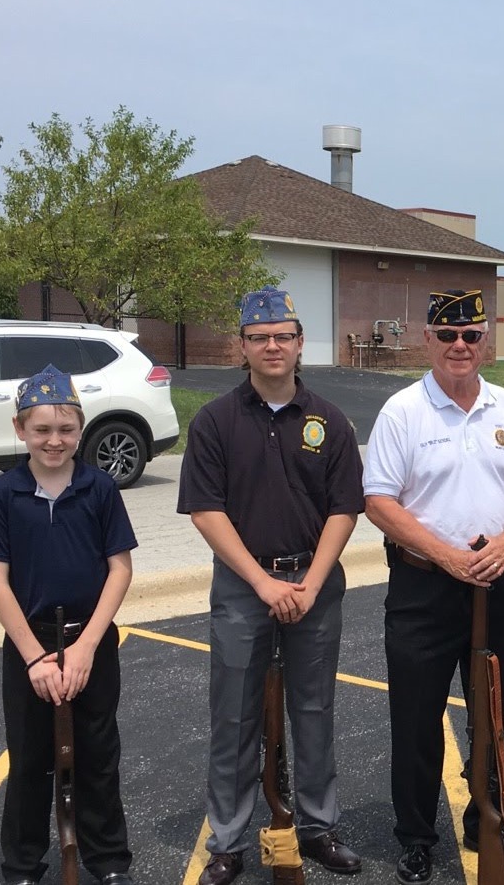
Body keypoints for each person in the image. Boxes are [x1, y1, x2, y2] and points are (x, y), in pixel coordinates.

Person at [178, 286, 366, 885]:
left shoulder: (329, 420)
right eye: (259, 338)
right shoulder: (214, 421)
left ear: (300, 342)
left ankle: (317, 828)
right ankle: (228, 841)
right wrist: (262, 584)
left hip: (315, 582)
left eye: (283, 336)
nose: (272, 346)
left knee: (314, 709)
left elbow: (344, 509)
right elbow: (207, 511)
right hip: (243, 586)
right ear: (243, 346)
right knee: (233, 716)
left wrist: (309, 582)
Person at [363, 289, 504, 885]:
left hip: (498, 580)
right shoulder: (402, 411)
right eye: (447, 336)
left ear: (485, 338)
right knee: (416, 721)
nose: (460, 346)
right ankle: (416, 837)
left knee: (496, 716)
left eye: (471, 334)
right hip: (424, 587)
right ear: (427, 340)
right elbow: (378, 501)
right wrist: (442, 555)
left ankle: (488, 822)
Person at [0, 364, 137, 885]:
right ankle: (22, 864)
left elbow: (120, 569)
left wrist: (87, 647)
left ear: (80, 429)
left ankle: (107, 860)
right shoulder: (3, 494)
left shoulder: (100, 488)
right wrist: (36, 659)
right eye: (41, 429)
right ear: (20, 429)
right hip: (31, 644)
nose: (54, 440)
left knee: (97, 754)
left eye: (66, 429)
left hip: (90, 639)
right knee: (29, 758)